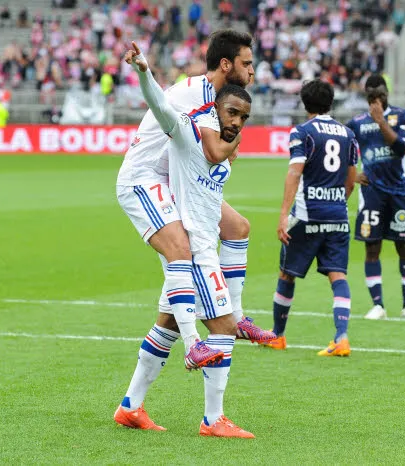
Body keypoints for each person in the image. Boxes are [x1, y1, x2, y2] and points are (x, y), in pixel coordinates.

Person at [115, 42, 255, 438]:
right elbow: (164, 109)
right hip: (145, 179)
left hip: (174, 188)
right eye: (247, 64)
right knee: (182, 251)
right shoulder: (193, 95)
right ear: (226, 65)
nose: (253, 71)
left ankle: (131, 406)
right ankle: (209, 404)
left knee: (172, 313)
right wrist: (144, 70)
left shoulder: (220, 106)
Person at [262, 80, 358, 355]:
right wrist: (337, 202)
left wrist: (283, 215)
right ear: (331, 103)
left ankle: (278, 335)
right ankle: (341, 337)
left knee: (286, 274)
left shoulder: (302, 132)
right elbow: (351, 179)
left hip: (306, 215)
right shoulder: (348, 134)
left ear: (305, 105)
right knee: (337, 274)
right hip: (338, 214)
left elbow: (295, 172)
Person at [346, 74, 405, 321]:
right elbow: (345, 154)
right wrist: (353, 175)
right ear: (366, 96)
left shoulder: (404, 116)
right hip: (371, 194)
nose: (376, 99)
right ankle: (377, 305)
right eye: (371, 96)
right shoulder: (356, 123)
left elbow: (401, 148)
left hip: (400, 191)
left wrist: (381, 121)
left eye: (380, 95)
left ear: (387, 93)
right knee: (372, 248)